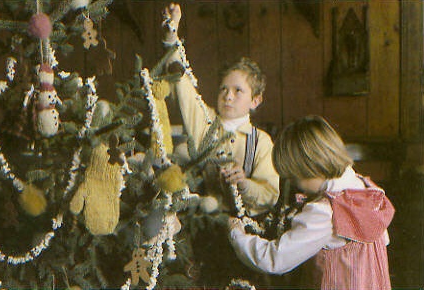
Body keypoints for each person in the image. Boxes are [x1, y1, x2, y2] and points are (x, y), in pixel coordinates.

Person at [161, 3, 280, 285]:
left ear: (255, 101)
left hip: (241, 241)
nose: (228, 96)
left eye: (238, 91)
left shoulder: (260, 142)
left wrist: (244, 183)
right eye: (223, 89)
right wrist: (171, 34)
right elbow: (181, 82)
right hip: (199, 235)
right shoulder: (203, 125)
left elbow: (270, 194)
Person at [229, 115, 395, 289]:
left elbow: (275, 259)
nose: (294, 185)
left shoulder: (325, 211)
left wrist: (236, 234)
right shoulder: (367, 189)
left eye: (293, 177)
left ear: (310, 168)